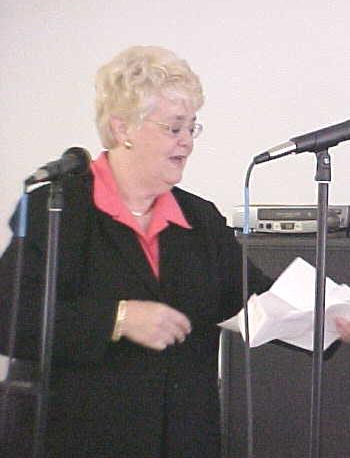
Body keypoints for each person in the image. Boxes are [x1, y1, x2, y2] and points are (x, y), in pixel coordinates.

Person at [1, 46, 275, 458]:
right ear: (122, 128)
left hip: (184, 440)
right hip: (79, 440)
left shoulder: (199, 218)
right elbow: (11, 316)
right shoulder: (57, 208)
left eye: (192, 128)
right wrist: (118, 318)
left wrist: (331, 313)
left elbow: (254, 297)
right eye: (174, 128)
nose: (187, 142)